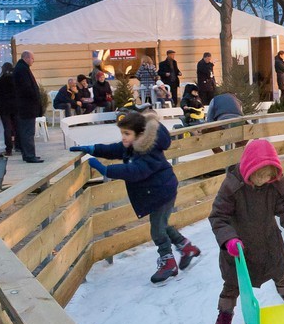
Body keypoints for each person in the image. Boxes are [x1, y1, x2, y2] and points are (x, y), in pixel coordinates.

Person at [71, 110, 201, 283]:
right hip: (157, 191)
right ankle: (187, 248)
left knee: (157, 229)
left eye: (127, 134)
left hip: (162, 191)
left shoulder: (149, 150)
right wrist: (93, 149)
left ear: (139, 134)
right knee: (161, 224)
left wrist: (107, 170)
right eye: (122, 133)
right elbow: (115, 149)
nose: (123, 137)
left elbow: (136, 171)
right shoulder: (133, 145)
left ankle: (168, 262)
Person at [206, 139, 284, 324]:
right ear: (248, 168)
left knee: (280, 273)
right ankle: (224, 318)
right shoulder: (232, 186)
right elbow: (218, 217)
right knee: (232, 285)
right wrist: (229, 240)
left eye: (269, 175)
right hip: (238, 250)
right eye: (259, 174)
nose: (264, 180)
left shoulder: (275, 184)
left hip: (269, 244)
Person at [13, 51, 45, 163]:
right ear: (26, 58)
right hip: (26, 106)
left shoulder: (21, 68)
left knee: (26, 131)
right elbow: (26, 88)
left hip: (25, 106)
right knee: (28, 132)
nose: (33, 60)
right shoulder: (22, 70)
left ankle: (28, 154)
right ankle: (29, 155)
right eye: (32, 58)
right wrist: (35, 97)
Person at [0, 61, 18, 156]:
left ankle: (8, 149)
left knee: (7, 128)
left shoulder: (0, 80)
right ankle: (18, 146)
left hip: (4, 107)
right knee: (16, 127)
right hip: (15, 105)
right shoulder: (15, 79)